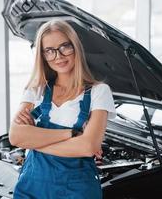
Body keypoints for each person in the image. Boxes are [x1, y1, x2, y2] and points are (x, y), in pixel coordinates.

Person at [9, 19, 116, 199]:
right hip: (32, 186)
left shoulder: (99, 92)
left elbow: (88, 146)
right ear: (42, 56)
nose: (58, 56)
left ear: (75, 47)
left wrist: (34, 141)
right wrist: (72, 135)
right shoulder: (36, 89)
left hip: (77, 190)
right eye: (49, 51)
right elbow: (15, 137)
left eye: (64, 47)